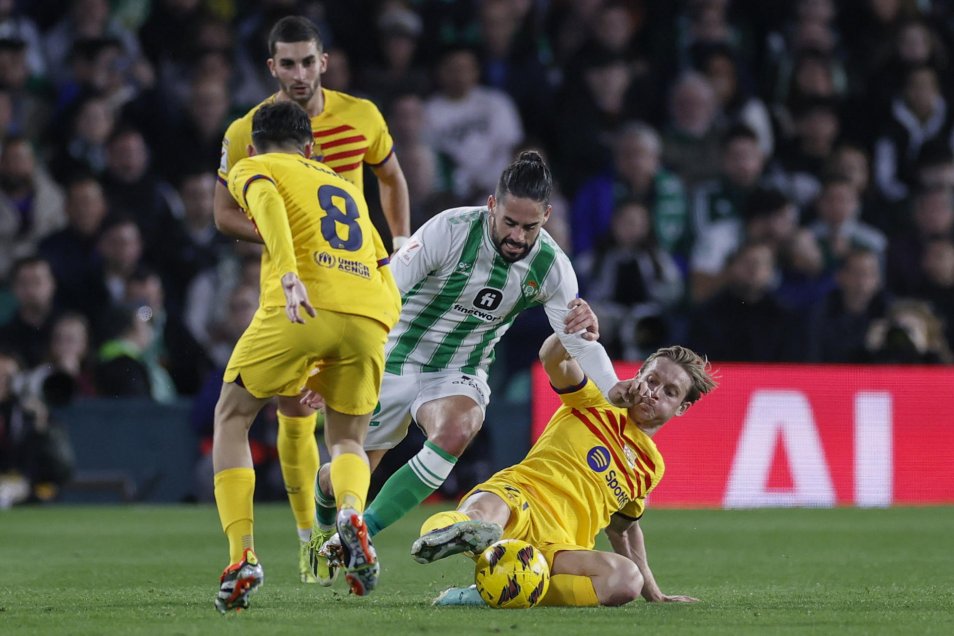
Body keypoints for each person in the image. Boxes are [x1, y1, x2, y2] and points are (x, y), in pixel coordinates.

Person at [311, 151, 634, 584]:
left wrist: (612, 387)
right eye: (510, 223)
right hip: (395, 356)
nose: (517, 236)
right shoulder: (449, 230)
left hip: (460, 369)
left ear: (547, 216)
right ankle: (323, 516)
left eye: (530, 227)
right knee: (352, 471)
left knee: (458, 427)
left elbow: (574, 337)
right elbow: (384, 292)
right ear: (492, 205)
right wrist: (334, 358)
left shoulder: (552, 267)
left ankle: (359, 535)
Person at [212, 16, 410, 583]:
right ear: (272, 67)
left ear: (323, 62)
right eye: (288, 63)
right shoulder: (282, 149)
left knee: (236, 414)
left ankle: (248, 552)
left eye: (307, 61)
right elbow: (226, 216)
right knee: (333, 430)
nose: (299, 73)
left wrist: (292, 260)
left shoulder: (352, 119)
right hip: (366, 295)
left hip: (299, 296)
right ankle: (326, 531)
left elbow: (267, 204)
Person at [409, 334, 716, 607]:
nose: (654, 393)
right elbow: (552, 358)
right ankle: (447, 535)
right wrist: (572, 329)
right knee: (482, 516)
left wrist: (653, 593)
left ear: (681, 408)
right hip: (520, 498)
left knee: (626, 581)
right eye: (651, 381)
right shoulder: (598, 400)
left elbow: (623, 529)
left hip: (560, 548)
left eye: (670, 392)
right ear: (638, 376)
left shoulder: (650, 467)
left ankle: (493, 592)